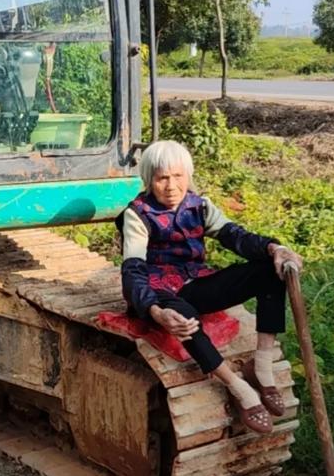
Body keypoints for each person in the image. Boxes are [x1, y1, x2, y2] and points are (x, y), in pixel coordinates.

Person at [121, 139, 303, 434]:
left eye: (177, 176)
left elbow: (236, 237)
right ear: (149, 180)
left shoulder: (200, 206)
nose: (171, 186)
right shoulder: (137, 214)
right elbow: (133, 269)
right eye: (162, 178)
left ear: (188, 176)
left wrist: (274, 248)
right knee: (184, 319)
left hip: (194, 281)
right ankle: (238, 386)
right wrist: (154, 310)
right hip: (159, 291)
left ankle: (262, 367)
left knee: (269, 272)